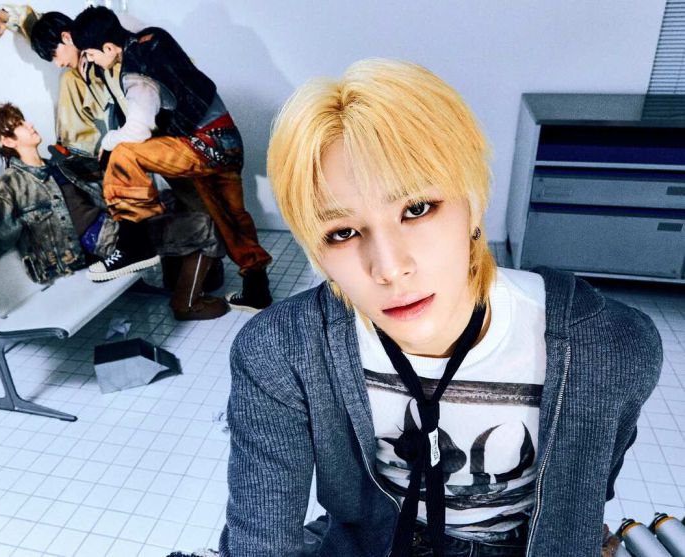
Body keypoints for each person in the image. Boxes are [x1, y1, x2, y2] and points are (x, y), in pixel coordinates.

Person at [219, 59, 663, 556]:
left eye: (416, 209)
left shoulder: (609, 347)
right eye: (342, 233)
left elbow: (586, 493)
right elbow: (261, 538)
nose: (390, 268)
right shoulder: (281, 352)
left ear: (473, 203)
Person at [0, 103, 228, 321]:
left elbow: (98, 189)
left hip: (114, 226)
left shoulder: (58, 164)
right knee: (203, 225)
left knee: (176, 200)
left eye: (24, 119)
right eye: (20, 124)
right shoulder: (11, 184)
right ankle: (186, 303)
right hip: (99, 242)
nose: (29, 125)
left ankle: (179, 284)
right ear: (8, 141)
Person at [70, 6, 274, 312]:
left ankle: (135, 246)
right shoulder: (155, 37)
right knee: (232, 218)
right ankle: (258, 291)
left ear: (109, 48)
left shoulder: (135, 72)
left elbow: (138, 129)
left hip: (201, 145)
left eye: (90, 54)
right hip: (228, 142)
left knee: (123, 153)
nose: (90, 60)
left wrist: (108, 141)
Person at [0, 5, 127, 157]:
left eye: (55, 55)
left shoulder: (97, 43)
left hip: (130, 116)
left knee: (71, 78)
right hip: (108, 111)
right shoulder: (76, 62)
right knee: (69, 78)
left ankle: (78, 152)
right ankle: (76, 152)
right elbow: (30, 21)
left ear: (66, 37)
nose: (58, 64)